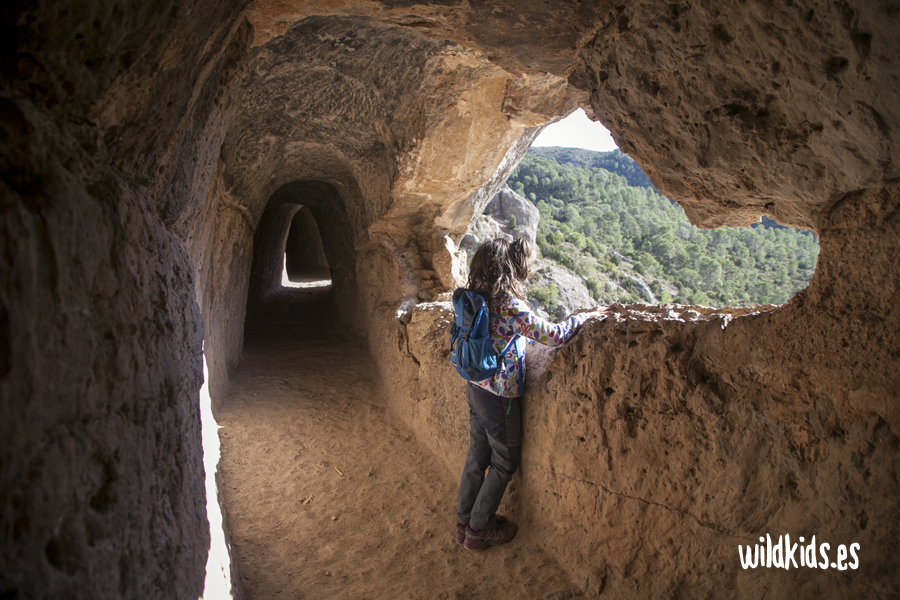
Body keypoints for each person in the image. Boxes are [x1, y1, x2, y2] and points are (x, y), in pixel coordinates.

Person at [454, 237, 607, 550]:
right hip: (499, 398)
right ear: (510, 269)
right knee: (503, 462)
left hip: (475, 388)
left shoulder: (473, 300)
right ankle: (478, 530)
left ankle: (463, 522)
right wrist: (585, 317)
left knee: (476, 456)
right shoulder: (510, 307)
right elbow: (553, 336)